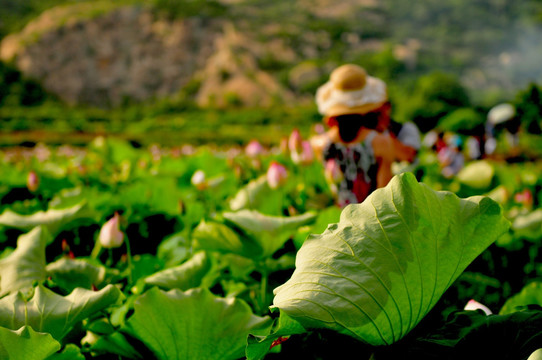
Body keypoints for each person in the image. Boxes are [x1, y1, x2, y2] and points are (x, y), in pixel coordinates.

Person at [311, 64, 397, 207]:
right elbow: (385, 196)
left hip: (330, 224)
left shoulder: (318, 144)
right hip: (367, 223)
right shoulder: (381, 143)